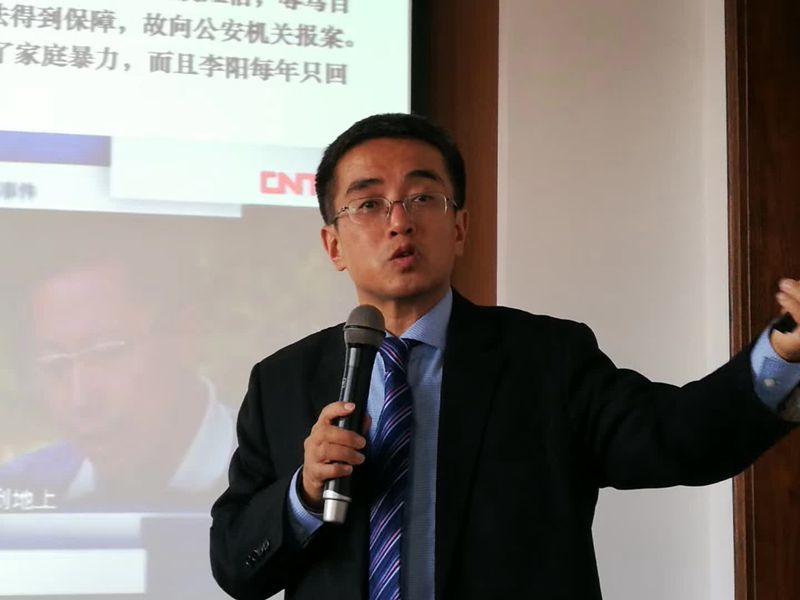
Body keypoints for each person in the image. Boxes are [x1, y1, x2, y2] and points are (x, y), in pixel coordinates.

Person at [209, 113, 800, 600]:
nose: (399, 222)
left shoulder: (547, 359)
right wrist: (305, 493)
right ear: (333, 244)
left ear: (460, 228)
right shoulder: (282, 381)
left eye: (423, 197)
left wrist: (783, 351)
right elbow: (237, 565)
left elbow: (678, 438)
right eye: (368, 204)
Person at [0, 256, 236, 511]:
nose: (80, 400)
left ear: (186, 335)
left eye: (106, 352)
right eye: (54, 364)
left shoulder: (269, 473)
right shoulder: (18, 492)